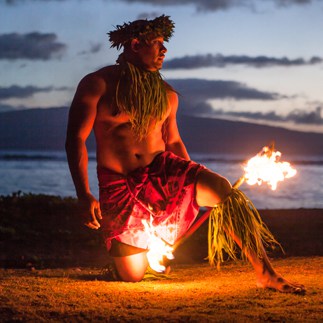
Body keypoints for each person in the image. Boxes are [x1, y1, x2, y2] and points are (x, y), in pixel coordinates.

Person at [65, 15, 305, 293]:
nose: (164, 50)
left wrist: (189, 188)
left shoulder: (167, 95)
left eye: (164, 44)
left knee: (221, 189)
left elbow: (174, 141)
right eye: (157, 43)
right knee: (132, 275)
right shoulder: (98, 84)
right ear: (134, 44)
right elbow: (75, 139)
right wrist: (83, 193)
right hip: (120, 183)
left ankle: (266, 273)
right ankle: (130, 261)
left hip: (163, 171)